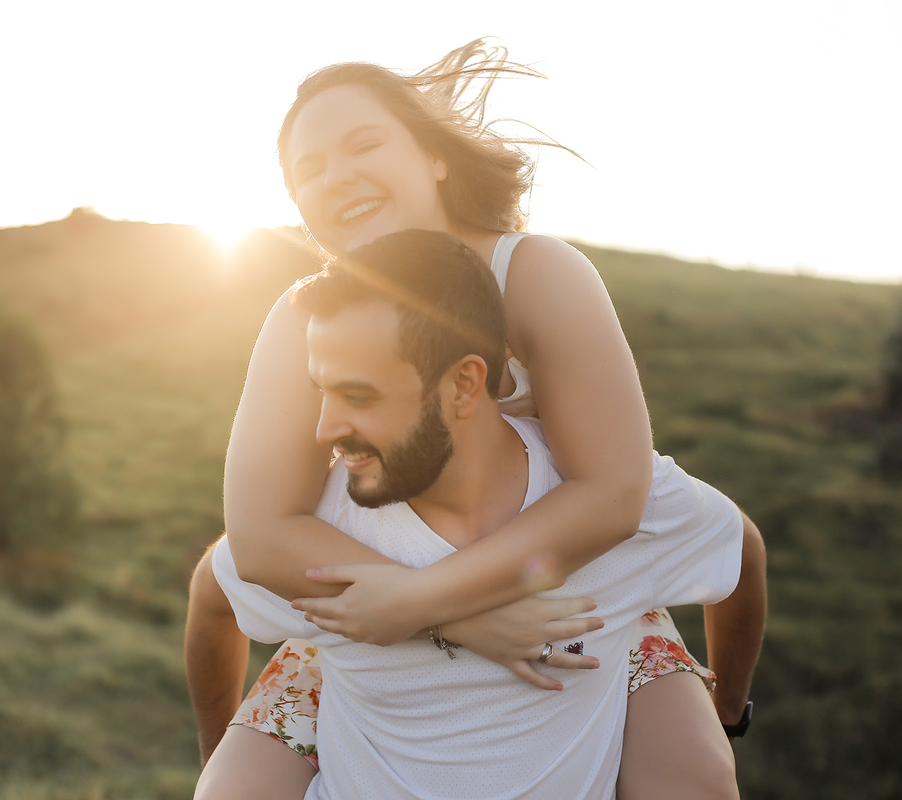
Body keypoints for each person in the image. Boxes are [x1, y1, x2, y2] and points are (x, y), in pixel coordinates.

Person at [186, 40, 766, 799]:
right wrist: (451, 617)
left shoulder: (534, 274)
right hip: (372, 580)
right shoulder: (304, 318)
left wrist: (428, 601)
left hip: (569, 573)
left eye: (363, 144)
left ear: (434, 157)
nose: (337, 177)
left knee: (696, 777)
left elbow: (613, 491)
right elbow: (259, 533)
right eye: (309, 171)